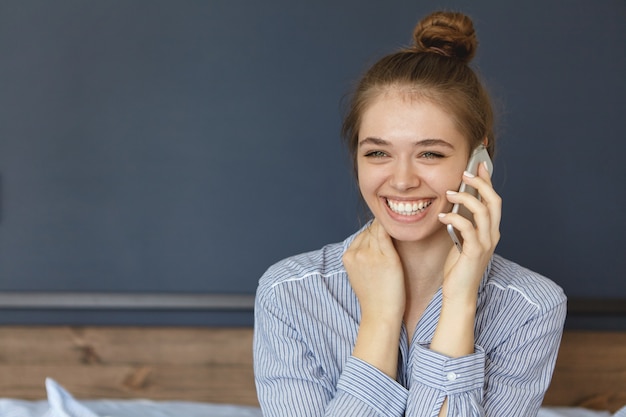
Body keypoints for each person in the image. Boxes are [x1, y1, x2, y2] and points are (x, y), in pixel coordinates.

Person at [253, 10, 566, 417]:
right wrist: (380, 321)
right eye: (378, 152)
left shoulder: (530, 308)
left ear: (479, 159)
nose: (401, 181)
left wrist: (460, 302)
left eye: (430, 153)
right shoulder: (290, 294)